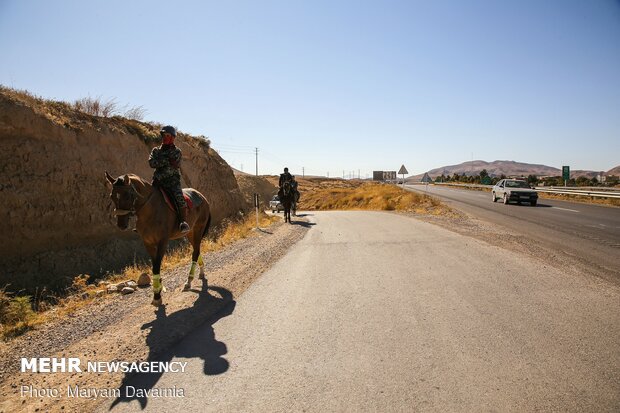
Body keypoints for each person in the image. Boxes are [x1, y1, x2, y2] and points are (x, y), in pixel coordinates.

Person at [149, 125, 190, 234]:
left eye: (168, 135)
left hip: (172, 182)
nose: (165, 137)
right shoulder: (155, 150)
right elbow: (151, 163)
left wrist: (160, 162)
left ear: (172, 137)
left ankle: (183, 223)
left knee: (179, 197)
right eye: (164, 135)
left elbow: (171, 169)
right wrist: (166, 160)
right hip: (157, 182)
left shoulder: (177, 151)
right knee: (146, 197)